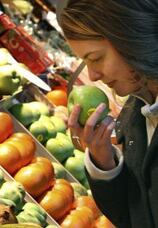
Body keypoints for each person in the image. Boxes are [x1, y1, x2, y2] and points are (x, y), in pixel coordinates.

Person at [57, 0, 158, 227]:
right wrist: (103, 160)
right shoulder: (136, 110)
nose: (92, 76)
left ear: (132, 41)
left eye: (96, 59)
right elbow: (133, 216)